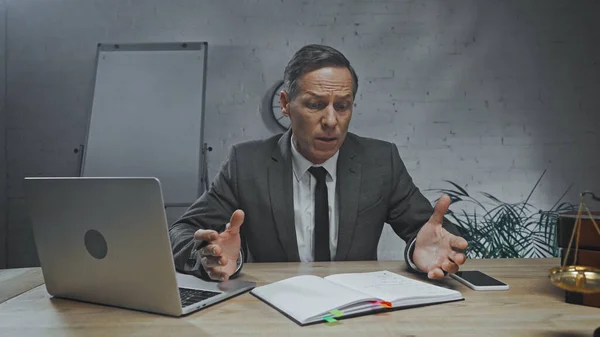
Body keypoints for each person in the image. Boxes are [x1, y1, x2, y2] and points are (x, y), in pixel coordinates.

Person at [169, 44, 468, 282]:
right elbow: (180, 233)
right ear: (286, 104)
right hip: (271, 312)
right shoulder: (246, 163)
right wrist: (212, 256)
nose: (330, 121)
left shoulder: (381, 161)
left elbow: (433, 233)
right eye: (315, 105)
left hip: (356, 311)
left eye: (342, 106)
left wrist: (422, 249)